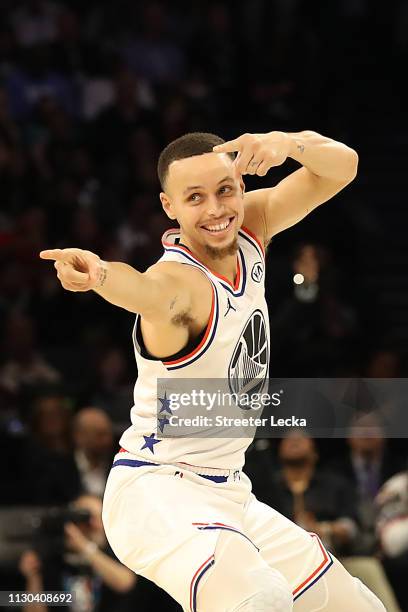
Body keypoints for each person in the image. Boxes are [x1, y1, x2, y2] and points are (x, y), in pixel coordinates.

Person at [39, 130, 385, 610]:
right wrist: (99, 275)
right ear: (169, 206)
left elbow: (343, 165)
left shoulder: (254, 227)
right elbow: (143, 290)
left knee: (358, 606)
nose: (216, 209)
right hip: (155, 492)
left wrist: (287, 144)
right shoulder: (180, 281)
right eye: (195, 197)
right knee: (260, 599)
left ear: (242, 186)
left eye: (225, 190)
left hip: (231, 494)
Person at [18, 494, 136, 612]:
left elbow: (125, 583)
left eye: (102, 517)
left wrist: (84, 547)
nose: (97, 525)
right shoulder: (54, 554)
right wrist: (33, 577)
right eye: (87, 517)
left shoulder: (111, 550)